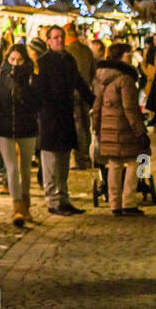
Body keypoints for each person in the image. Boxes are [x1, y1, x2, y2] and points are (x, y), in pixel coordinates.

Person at [30, 25, 94, 216]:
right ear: (48, 41)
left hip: (66, 115)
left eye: (61, 37)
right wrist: (43, 109)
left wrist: (92, 101)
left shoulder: (69, 59)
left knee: (64, 160)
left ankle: (64, 198)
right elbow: (38, 91)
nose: (58, 40)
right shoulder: (42, 62)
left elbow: (79, 82)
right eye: (55, 37)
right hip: (50, 117)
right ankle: (52, 200)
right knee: (50, 160)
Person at [90, 42, 149, 217]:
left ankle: (114, 203)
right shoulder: (126, 78)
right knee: (136, 161)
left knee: (114, 164)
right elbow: (130, 108)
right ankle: (128, 201)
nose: (130, 56)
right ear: (120, 56)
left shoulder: (102, 77)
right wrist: (140, 131)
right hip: (124, 128)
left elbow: (97, 105)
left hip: (107, 128)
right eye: (127, 53)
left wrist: (96, 126)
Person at [0, 44, 40, 227]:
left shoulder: (31, 77)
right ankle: (16, 207)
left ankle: (26, 203)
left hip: (27, 127)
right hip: (5, 128)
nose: (15, 63)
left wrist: (22, 91)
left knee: (25, 169)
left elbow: (37, 102)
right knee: (11, 168)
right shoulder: (0, 75)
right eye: (12, 60)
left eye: (19, 60)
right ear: (7, 59)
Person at [65, 24, 97, 168]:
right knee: (86, 124)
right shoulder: (86, 51)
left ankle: (79, 157)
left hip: (72, 92)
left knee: (77, 125)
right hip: (86, 91)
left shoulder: (66, 52)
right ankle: (86, 156)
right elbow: (93, 72)